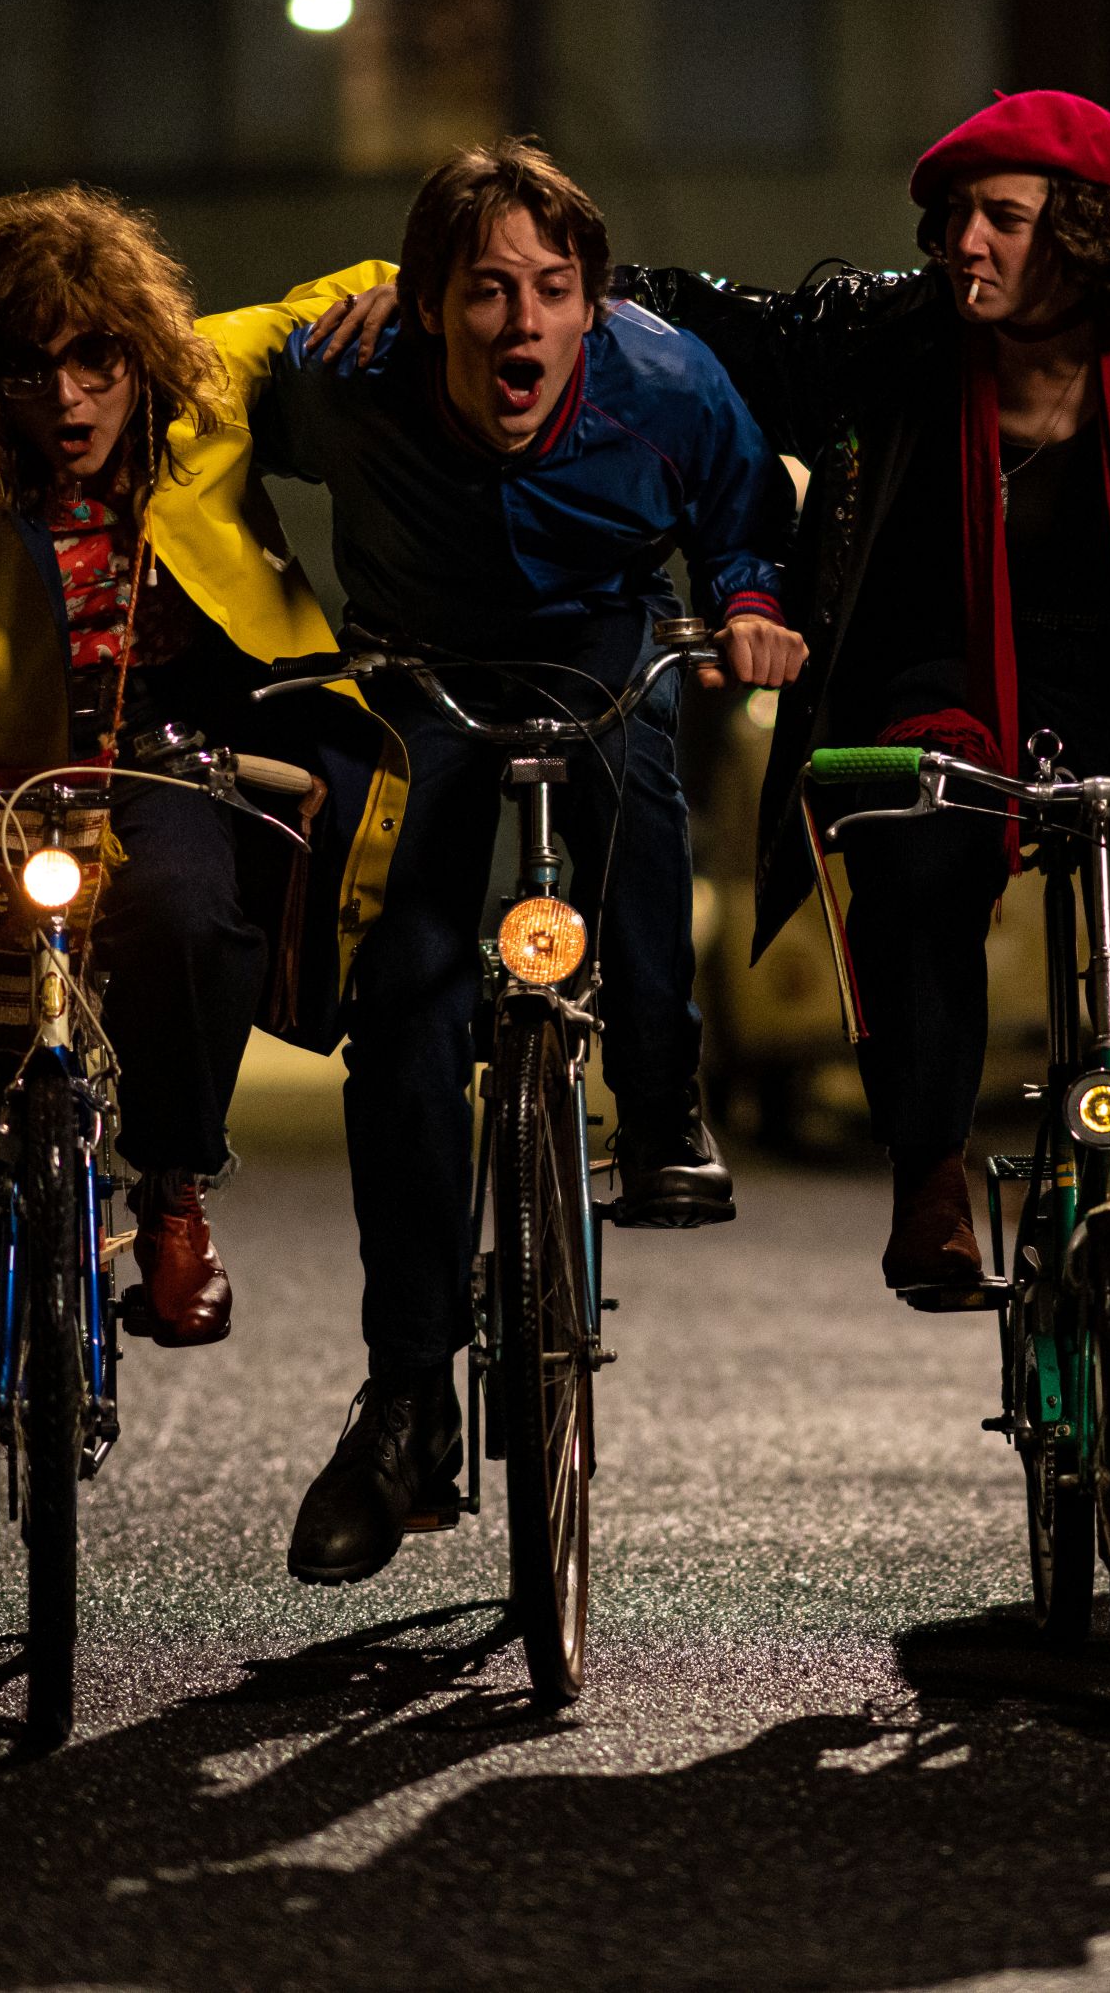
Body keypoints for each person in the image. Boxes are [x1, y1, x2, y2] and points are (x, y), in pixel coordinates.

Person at [582, 89, 1110, 1610]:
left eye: (1001, 218)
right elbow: (712, 319)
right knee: (915, 854)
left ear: (1081, 235)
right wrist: (538, 273)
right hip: (945, 681)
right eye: (953, 216)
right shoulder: (895, 333)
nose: (963, 241)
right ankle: (931, 1168)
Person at [0, 188, 400, 1586]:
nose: (69, 397)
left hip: (179, 753)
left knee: (186, 915)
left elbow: (327, 302)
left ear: (137, 351)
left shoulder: (197, 388)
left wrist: (399, 287)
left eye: (96, 359)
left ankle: (174, 1190)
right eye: (30, 367)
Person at [255, 138, 806, 1587]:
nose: (523, 321)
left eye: (553, 289)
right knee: (408, 1001)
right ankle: (407, 1406)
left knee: (640, 813)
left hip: (598, 642)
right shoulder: (349, 377)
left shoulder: (664, 379)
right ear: (432, 301)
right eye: (487, 290)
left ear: (591, 301)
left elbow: (746, 514)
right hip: (418, 663)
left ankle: (666, 1104)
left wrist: (750, 604)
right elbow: (203, 428)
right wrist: (253, 624)